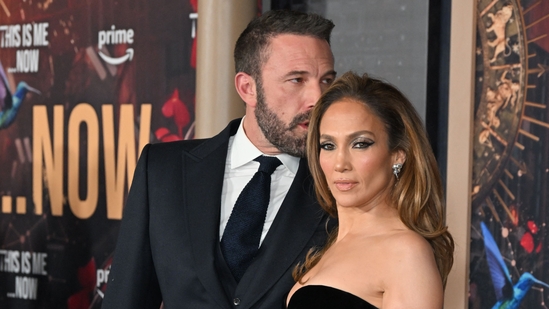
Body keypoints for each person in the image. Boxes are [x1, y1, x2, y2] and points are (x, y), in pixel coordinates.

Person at [101, 10, 337, 309]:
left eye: (326, 80)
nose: (318, 98)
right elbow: (126, 299)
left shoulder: (340, 184)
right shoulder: (164, 171)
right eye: (296, 80)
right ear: (247, 88)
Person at [286, 72, 454, 309]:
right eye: (328, 145)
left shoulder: (406, 253)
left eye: (360, 144)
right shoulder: (326, 248)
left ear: (397, 154)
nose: (340, 163)